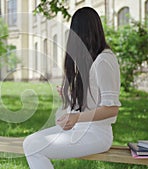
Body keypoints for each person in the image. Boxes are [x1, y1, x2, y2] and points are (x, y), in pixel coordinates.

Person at [23, 7, 121, 169]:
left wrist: (76, 118)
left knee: (34, 147)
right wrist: (69, 95)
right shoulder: (92, 59)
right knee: (30, 142)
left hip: (96, 135)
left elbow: (111, 109)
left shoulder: (104, 60)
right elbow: (92, 99)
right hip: (79, 129)